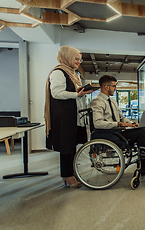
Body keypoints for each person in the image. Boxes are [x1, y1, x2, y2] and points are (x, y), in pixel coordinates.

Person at [89, 75, 145, 175]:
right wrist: (118, 123)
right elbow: (98, 123)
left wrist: (131, 123)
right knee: (142, 133)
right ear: (106, 87)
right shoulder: (97, 102)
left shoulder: (113, 101)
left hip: (117, 132)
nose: (115, 88)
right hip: (109, 134)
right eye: (114, 86)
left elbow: (121, 116)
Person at [44, 45, 93, 188]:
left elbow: (70, 91)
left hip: (73, 114)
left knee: (72, 145)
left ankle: (71, 172)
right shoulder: (58, 72)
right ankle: (67, 176)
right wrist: (76, 94)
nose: (78, 61)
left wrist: (80, 91)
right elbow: (57, 93)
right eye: (76, 58)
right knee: (66, 147)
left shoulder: (73, 73)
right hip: (64, 116)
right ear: (66, 57)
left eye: (79, 59)